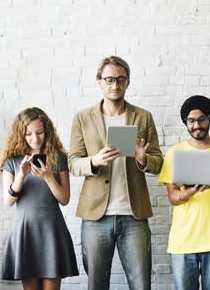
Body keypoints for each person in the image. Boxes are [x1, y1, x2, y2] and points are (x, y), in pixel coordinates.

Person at [68, 56, 163, 290]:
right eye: (109, 79)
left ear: (128, 82)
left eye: (120, 79)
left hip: (134, 215)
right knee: (97, 284)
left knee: (141, 284)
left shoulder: (143, 117)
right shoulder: (83, 118)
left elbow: (158, 162)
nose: (115, 85)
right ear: (99, 82)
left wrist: (142, 159)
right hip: (95, 217)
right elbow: (73, 162)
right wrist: (94, 161)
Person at [158, 95, 210, 290]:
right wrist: (189, 192)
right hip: (183, 243)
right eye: (192, 121)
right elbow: (173, 198)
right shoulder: (174, 153)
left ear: (209, 118)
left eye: (202, 119)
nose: (197, 125)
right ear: (186, 123)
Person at [0, 107, 78, 289]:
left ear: (47, 131)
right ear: (21, 134)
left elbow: (64, 199)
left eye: (40, 132)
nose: (35, 139)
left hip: (51, 230)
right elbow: (9, 201)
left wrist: (48, 176)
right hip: (25, 231)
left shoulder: (58, 158)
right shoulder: (11, 160)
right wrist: (21, 175)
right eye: (29, 134)